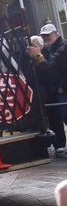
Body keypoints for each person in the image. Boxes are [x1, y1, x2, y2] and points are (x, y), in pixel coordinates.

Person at [28, 23, 67, 156]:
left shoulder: (63, 48)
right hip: (56, 91)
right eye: (43, 36)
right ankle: (61, 146)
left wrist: (63, 86)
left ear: (56, 32)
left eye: (47, 35)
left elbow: (54, 71)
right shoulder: (52, 50)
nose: (45, 38)